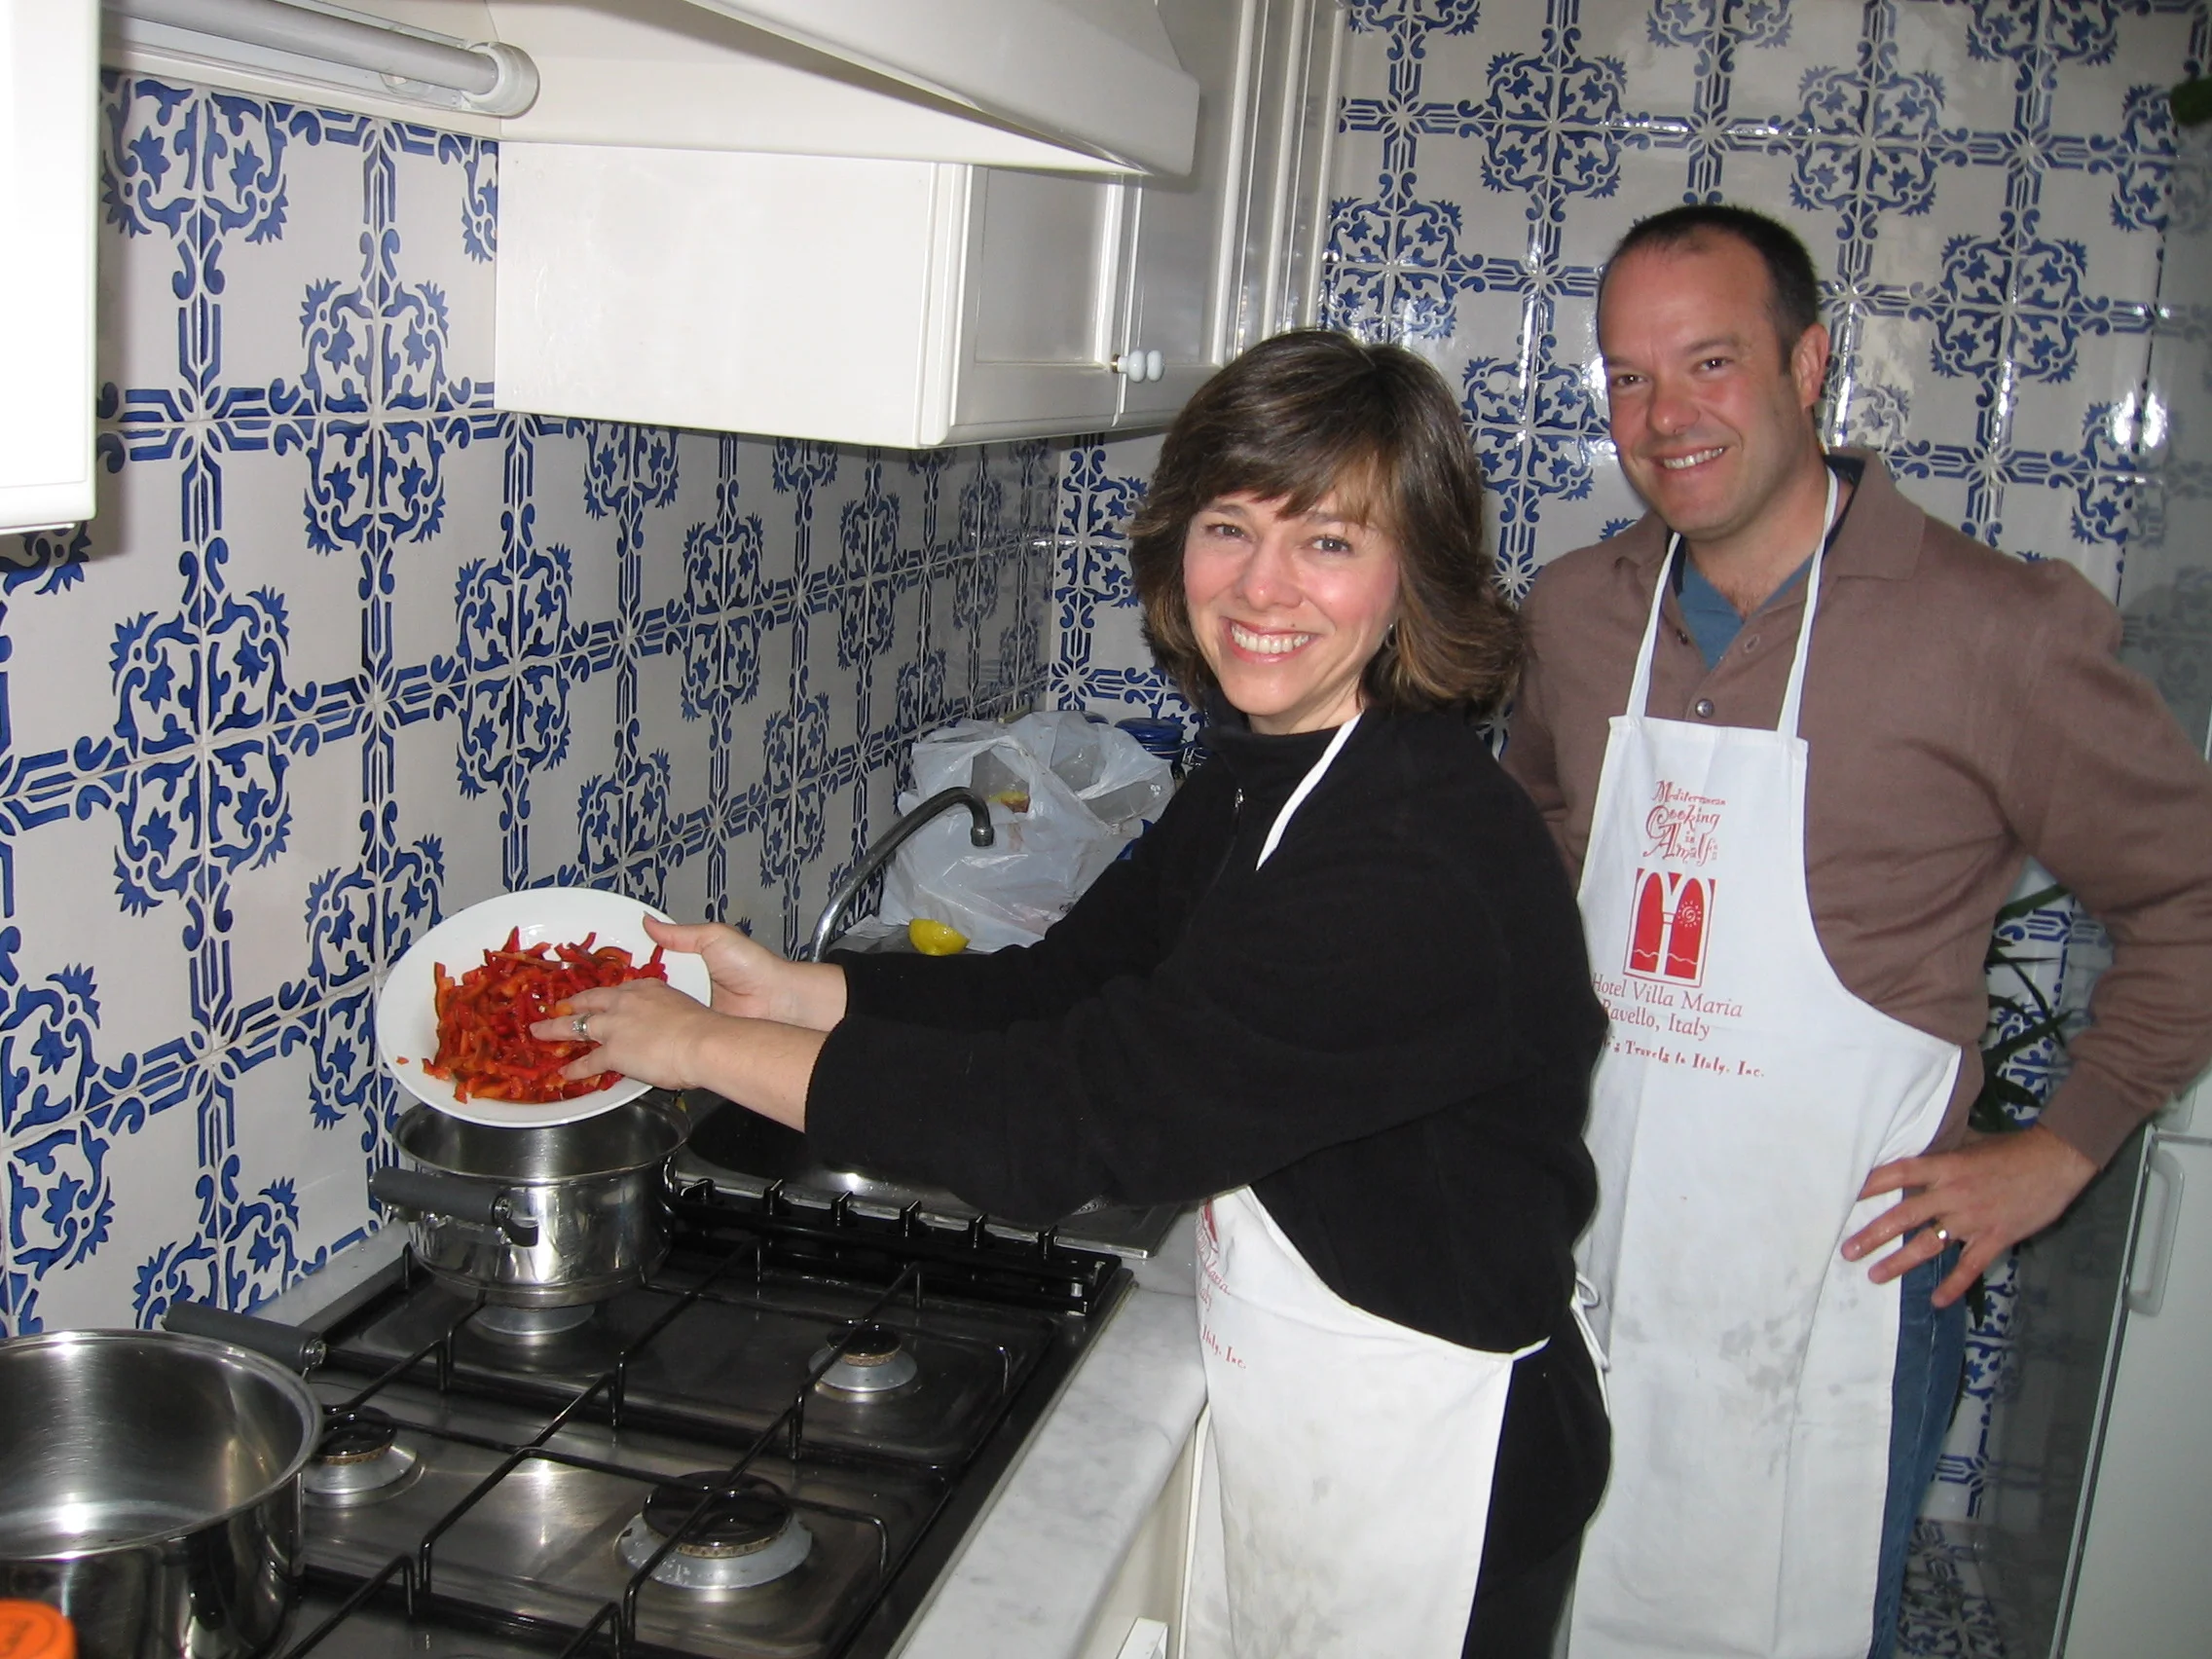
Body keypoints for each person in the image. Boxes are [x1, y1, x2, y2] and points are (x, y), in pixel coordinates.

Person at [530, 330, 1610, 1658]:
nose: (1262, 586)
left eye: (1328, 541)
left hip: (1438, 1448)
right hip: (1329, 1389)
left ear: (1413, 578)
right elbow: (1067, 991)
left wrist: (701, 1045)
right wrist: (798, 993)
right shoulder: (1257, 776)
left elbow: (1072, 1123)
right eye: (1229, 526)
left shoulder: (1413, 859)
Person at [1503, 203, 2212, 1659]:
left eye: (1709, 362)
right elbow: (1528, 883)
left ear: (1809, 361)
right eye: (1628, 377)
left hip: (1835, 1311)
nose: (1665, 417)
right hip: (1588, 1270)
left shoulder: (1991, 632)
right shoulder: (1576, 613)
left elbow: (2191, 893)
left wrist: (2064, 1145)